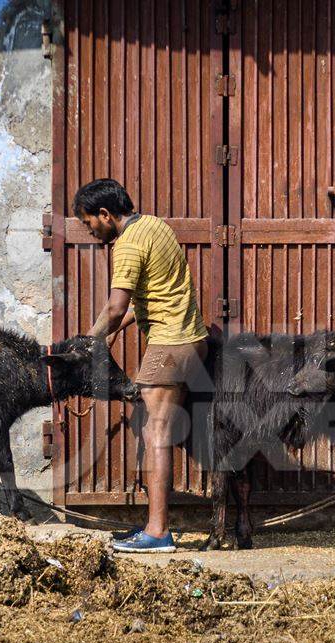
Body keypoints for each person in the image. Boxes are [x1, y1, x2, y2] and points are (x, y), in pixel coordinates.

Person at [73, 178, 208, 553]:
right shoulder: (155, 226)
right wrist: (115, 332)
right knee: (156, 429)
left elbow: (115, 307)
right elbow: (152, 296)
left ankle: (158, 531)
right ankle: (155, 526)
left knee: (156, 435)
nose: (89, 230)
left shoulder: (128, 244)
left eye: (89, 222)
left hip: (170, 345)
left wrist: (88, 344)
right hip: (189, 339)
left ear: (105, 213)